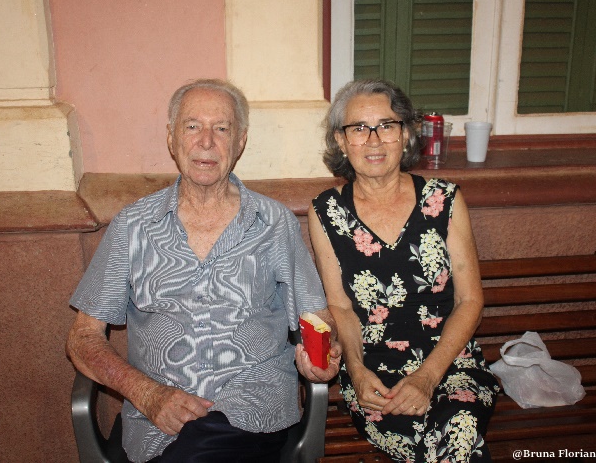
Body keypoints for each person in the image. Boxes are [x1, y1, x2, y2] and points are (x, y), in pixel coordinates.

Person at [66, 78, 341, 463]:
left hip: (251, 409)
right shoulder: (133, 226)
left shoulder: (274, 222)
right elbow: (83, 338)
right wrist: (147, 394)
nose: (206, 142)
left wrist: (322, 357)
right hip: (157, 417)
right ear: (172, 138)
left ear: (240, 141)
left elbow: (317, 318)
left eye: (221, 129)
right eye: (193, 126)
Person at [308, 79, 499, 463]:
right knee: (445, 446)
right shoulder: (326, 212)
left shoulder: (444, 199)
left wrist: (427, 377)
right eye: (358, 128)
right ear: (341, 141)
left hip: (450, 364)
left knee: (457, 429)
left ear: (407, 134)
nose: (374, 140)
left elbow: (470, 300)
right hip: (374, 376)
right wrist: (356, 371)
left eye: (386, 125)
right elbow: (341, 307)